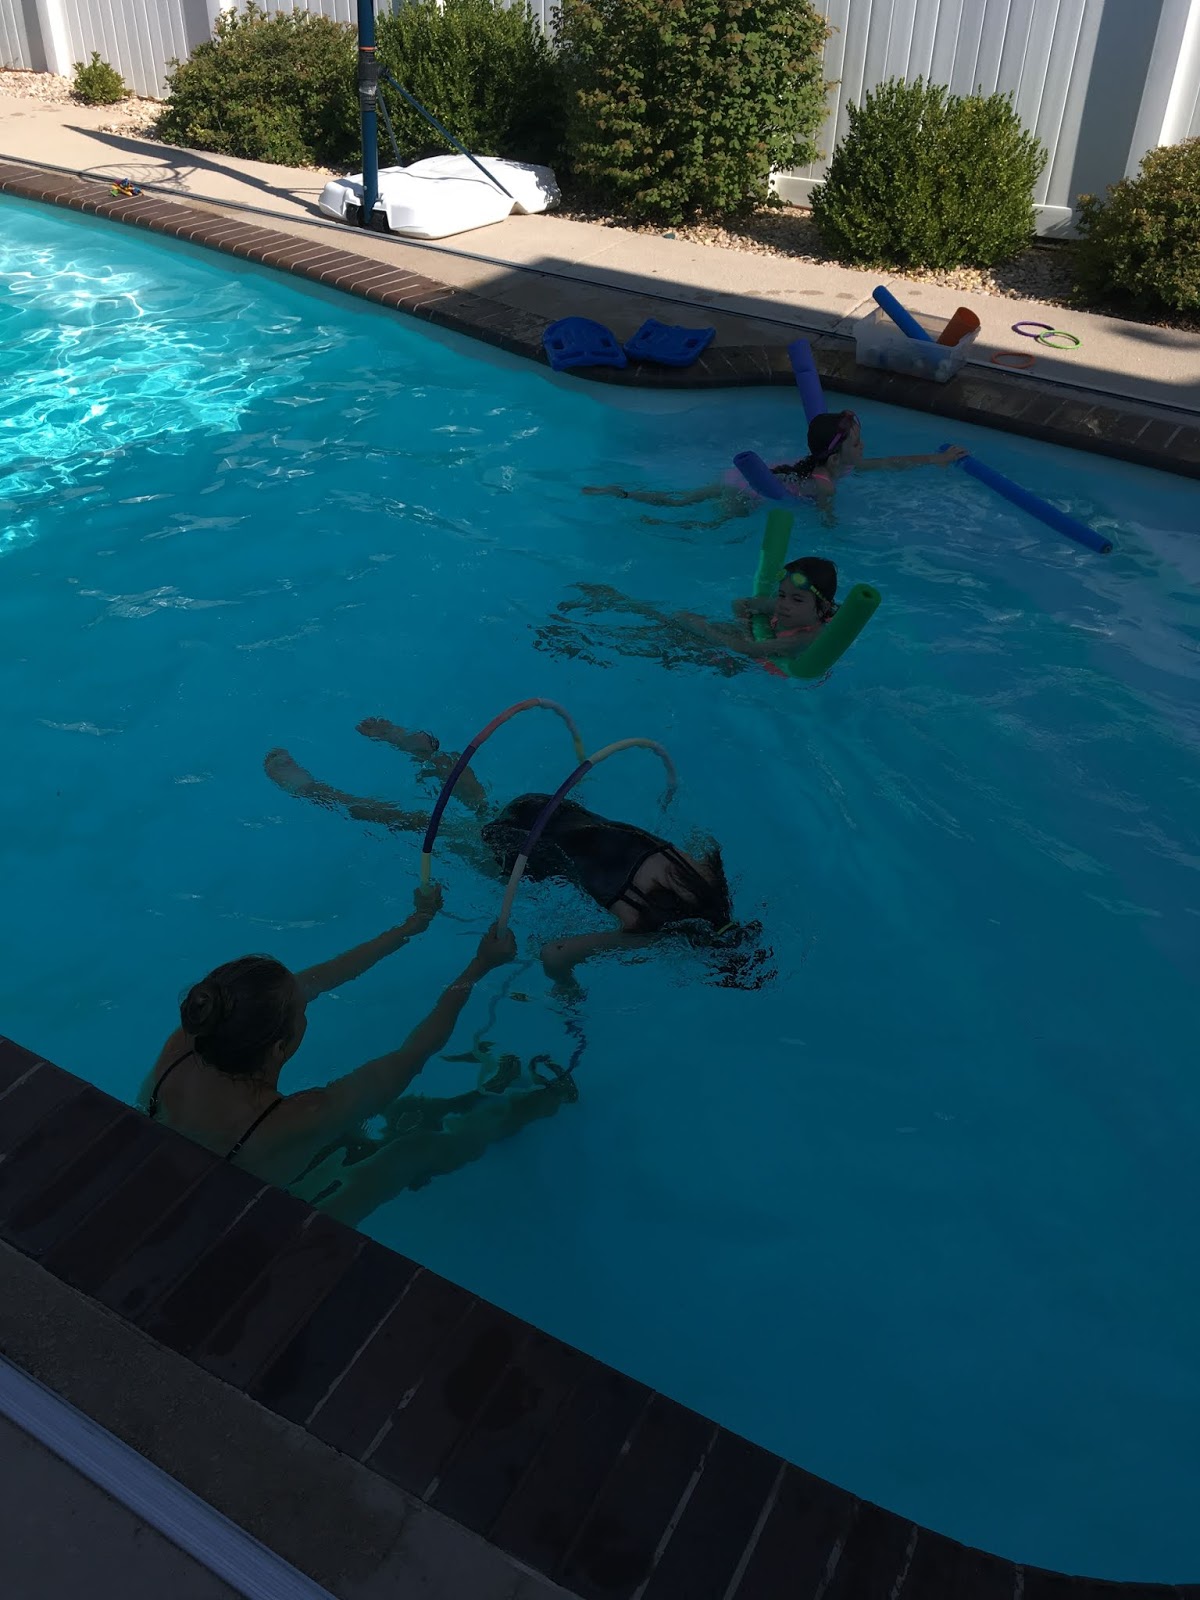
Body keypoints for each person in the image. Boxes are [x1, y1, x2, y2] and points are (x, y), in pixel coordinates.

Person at [139, 901, 571, 1211]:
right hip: (234, 1218)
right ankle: (538, 1103)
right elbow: (414, 1054)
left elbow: (316, 980)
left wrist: (410, 927)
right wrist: (479, 967)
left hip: (171, 1173)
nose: (307, 1001)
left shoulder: (194, 1033)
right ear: (280, 1048)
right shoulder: (299, 1117)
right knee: (412, 1149)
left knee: (366, 1132)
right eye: (302, 1012)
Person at [263, 717, 737, 987]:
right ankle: (312, 789)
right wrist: (568, 990)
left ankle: (420, 750)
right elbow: (554, 953)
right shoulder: (645, 930)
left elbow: (700, 835)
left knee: (482, 807)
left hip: (550, 809)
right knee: (420, 824)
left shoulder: (707, 870)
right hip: (521, 852)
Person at [583, 411, 967, 529]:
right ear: (837, 459)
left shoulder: (824, 464)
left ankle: (622, 493)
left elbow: (890, 464)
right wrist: (835, 534)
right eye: (857, 444)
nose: (864, 449)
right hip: (749, 494)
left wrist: (936, 458)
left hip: (743, 477)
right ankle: (653, 525)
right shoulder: (826, 485)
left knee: (679, 499)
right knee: (708, 526)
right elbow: (826, 520)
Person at [549, 556, 839, 672]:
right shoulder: (780, 605)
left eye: (797, 600)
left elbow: (747, 651)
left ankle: (590, 638)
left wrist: (704, 628)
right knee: (673, 625)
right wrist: (744, 624)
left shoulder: (807, 638)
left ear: (823, 608)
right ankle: (615, 602)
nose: (784, 604)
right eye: (782, 595)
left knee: (666, 642)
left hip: (741, 662)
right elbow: (741, 603)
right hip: (741, 638)